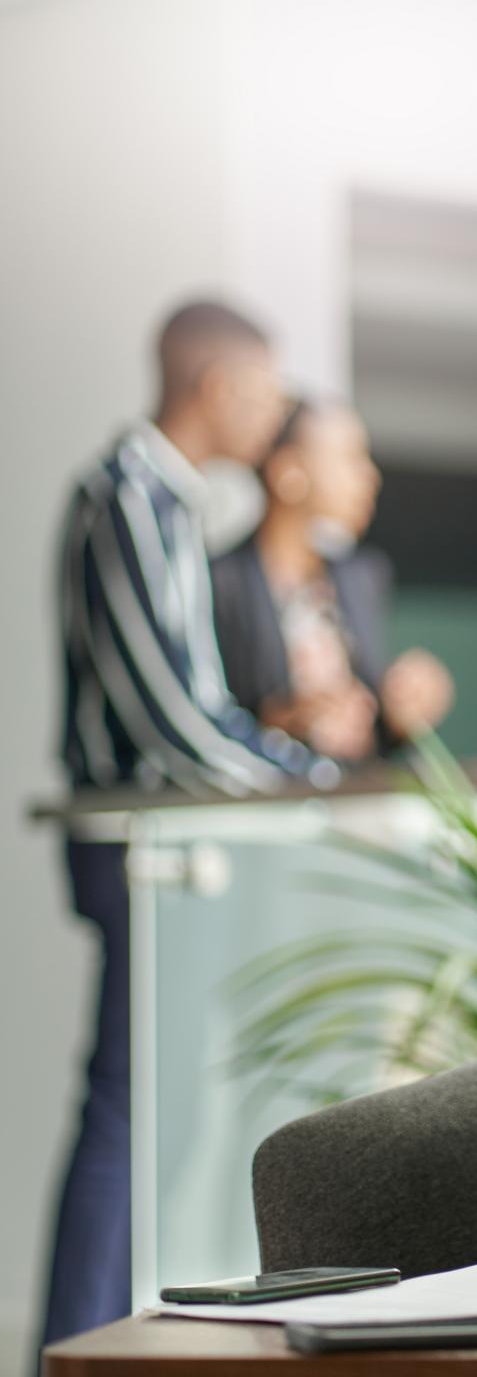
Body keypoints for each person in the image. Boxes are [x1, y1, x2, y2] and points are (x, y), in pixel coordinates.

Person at [44, 301, 333, 1350]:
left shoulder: (170, 507)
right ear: (217, 387)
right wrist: (295, 771)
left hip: (173, 844)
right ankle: (74, 1341)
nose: (272, 418)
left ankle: (112, 1330)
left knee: (151, 1104)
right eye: (262, 393)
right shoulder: (125, 495)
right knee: (126, 1106)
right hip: (138, 845)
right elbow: (166, 715)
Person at [211, 397, 454, 762]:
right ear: (288, 472)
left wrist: (403, 708)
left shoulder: (364, 577)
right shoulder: (218, 582)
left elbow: (374, 728)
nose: (370, 476)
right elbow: (203, 722)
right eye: (351, 458)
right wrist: (285, 724)